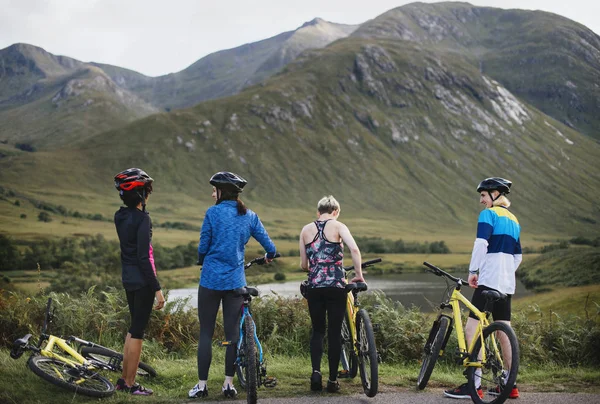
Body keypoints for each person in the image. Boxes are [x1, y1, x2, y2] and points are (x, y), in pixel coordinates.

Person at [188, 171, 277, 399]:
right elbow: (271, 247)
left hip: (210, 280)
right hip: (236, 282)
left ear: (221, 192)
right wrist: (268, 256)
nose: (212, 194)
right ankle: (228, 384)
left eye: (214, 190)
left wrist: (201, 258)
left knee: (206, 333)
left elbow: (203, 245)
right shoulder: (250, 215)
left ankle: (202, 385)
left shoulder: (212, 213)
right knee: (232, 335)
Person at [444, 177, 522, 400]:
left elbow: (481, 243)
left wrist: (473, 271)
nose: (481, 200)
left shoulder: (489, 214)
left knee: (472, 329)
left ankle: (474, 384)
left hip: (488, 279)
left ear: (495, 194)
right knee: (503, 330)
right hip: (506, 283)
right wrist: (505, 270)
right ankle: (510, 383)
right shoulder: (514, 220)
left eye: (483, 195)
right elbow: (518, 256)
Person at [299, 195, 365, 393]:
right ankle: (333, 380)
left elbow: (304, 265)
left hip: (314, 287)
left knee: (318, 330)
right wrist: (359, 275)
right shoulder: (338, 226)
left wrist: (316, 267)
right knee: (335, 332)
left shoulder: (305, 230)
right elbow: (353, 248)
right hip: (336, 285)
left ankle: (316, 373)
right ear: (335, 211)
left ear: (318, 212)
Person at [113, 168, 165, 396]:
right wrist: (157, 289)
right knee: (138, 331)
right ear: (142, 194)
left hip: (128, 278)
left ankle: (124, 380)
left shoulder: (120, 216)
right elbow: (144, 258)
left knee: (133, 328)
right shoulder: (143, 219)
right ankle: (131, 384)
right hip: (143, 281)